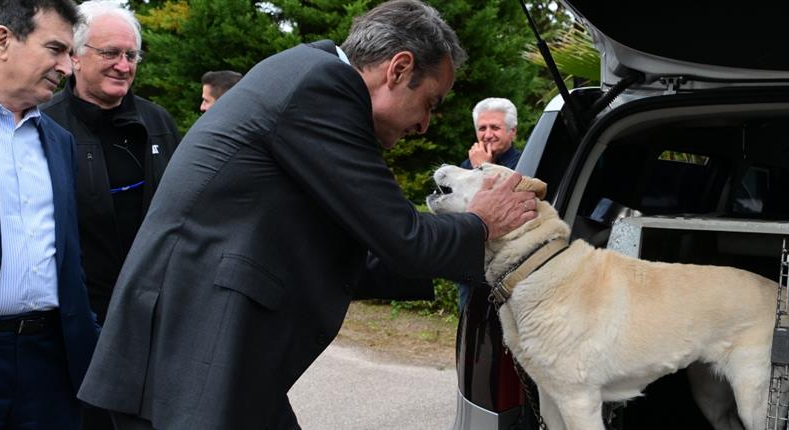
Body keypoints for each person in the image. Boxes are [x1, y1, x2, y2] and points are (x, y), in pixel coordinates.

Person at [76, 0, 539, 428]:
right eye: (430, 104)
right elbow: (404, 237)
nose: (423, 124)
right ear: (399, 69)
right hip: (190, 357)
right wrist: (482, 222)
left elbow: (349, 244)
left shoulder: (308, 75)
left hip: (207, 354)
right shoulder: (324, 88)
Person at [0, 1, 100, 429]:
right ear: (3, 40)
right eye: (56, 49)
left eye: (70, 54)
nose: (67, 67)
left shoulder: (58, 140)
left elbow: (67, 257)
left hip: (51, 367)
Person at [38, 2, 181, 429]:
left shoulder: (158, 123)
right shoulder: (44, 126)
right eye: (110, 53)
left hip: (151, 318)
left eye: (131, 55)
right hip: (75, 323)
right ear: (75, 57)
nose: (123, 65)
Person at [457, 97, 523, 311]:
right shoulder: (466, 166)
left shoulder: (524, 163)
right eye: (482, 128)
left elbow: (507, 207)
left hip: (509, 270)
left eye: (495, 127)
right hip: (473, 268)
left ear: (512, 131)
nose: (487, 135)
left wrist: (483, 168)